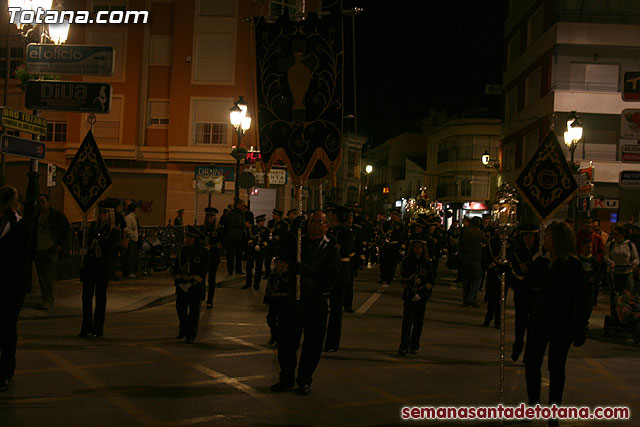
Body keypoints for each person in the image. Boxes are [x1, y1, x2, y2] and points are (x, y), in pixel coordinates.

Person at [524, 222, 588, 423]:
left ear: (559, 239)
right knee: (532, 363)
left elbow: (584, 297)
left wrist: (581, 325)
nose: (545, 239)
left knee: (556, 367)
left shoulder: (572, 264)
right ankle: (533, 406)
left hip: (562, 323)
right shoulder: (542, 262)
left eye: (549, 236)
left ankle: (553, 413)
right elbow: (526, 284)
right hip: (539, 321)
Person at [271, 210, 339, 396]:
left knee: (312, 345)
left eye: (319, 222)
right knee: (286, 343)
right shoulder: (299, 242)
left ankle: (304, 380)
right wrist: (293, 230)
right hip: (294, 300)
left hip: (316, 302)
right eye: (311, 221)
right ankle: (286, 378)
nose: (315, 225)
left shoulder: (330, 247)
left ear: (326, 225)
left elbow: (331, 276)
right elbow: (283, 256)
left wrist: (307, 271)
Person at [0, 186, 32, 392]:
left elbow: (24, 259)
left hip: (11, 287)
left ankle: (6, 371)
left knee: (7, 329)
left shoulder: (20, 226)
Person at [78, 201, 121, 338]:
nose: (102, 216)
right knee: (86, 298)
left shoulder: (114, 231)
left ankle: (97, 328)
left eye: (105, 213)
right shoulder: (92, 228)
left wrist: (101, 246)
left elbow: (112, 250)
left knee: (100, 299)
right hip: (90, 266)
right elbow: (84, 243)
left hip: (103, 268)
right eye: (101, 212)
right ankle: (86, 327)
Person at [324, 204, 354, 352]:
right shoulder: (330, 230)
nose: (328, 215)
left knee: (336, 308)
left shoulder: (345, 232)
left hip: (340, 270)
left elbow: (343, 250)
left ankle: (332, 342)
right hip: (328, 270)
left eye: (331, 213)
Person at [173, 225, 210, 343]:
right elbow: (177, 268)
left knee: (194, 313)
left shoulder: (203, 252)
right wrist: (179, 283)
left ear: (196, 239)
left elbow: (202, 271)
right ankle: (183, 329)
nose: (187, 239)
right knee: (181, 310)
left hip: (195, 287)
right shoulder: (182, 250)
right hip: (182, 286)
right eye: (187, 237)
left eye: (190, 237)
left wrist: (190, 284)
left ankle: (191, 334)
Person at [398, 234, 434, 356]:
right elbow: (403, 280)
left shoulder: (427, 263)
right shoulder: (406, 262)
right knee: (407, 321)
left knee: (419, 322)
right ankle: (404, 346)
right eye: (415, 247)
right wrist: (411, 293)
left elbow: (431, 280)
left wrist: (423, 293)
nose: (418, 249)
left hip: (422, 295)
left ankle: (414, 345)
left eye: (420, 247)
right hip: (409, 295)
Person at [33, 193, 70, 309]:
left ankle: (48, 299)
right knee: (41, 276)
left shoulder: (56, 216)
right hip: (39, 249)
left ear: (49, 202)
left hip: (50, 249)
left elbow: (65, 230)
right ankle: (45, 298)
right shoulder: (36, 216)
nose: (41, 204)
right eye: (38, 202)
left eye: (43, 202)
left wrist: (59, 245)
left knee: (48, 275)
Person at [508, 225, 539, 361]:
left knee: (534, 326)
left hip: (536, 294)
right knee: (520, 324)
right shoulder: (517, 253)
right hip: (521, 292)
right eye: (526, 236)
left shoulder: (539, 252)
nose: (528, 239)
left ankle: (529, 354)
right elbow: (513, 274)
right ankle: (517, 347)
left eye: (531, 236)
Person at [604, 226, 639, 298]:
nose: (615, 236)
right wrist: (611, 262)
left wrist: (634, 263)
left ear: (622, 235)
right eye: (614, 234)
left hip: (627, 272)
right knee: (615, 294)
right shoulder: (610, 245)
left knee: (627, 294)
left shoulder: (630, 245)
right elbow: (606, 256)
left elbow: (635, 257)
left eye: (617, 234)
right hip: (614, 272)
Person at [264, 257, 290, 346]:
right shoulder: (273, 275)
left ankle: (279, 338)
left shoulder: (288, 276)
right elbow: (269, 287)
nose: (277, 265)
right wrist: (267, 299)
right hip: (274, 301)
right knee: (270, 319)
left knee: (282, 321)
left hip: (283, 301)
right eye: (276, 263)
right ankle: (274, 335)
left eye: (280, 263)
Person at [460, 217, 484, 307]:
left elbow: (460, 244)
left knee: (466, 280)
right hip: (475, 258)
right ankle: (472, 298)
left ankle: (465, 300)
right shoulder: (479, 233)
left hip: (465, 258)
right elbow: (486, 241)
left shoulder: (465, 232)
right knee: (477, 279)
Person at [200, 207, 222, 309]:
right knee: (201, 279)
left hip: (213, 257)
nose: (210, 218)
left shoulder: (218, 230)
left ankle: (210, 300)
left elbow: (221, 244)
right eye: (208, 216)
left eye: (212, 216)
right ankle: (202, 296)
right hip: (203, 257)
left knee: (211, 280)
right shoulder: (202, 229)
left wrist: (214, 246)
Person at [378, 208, 406, 285]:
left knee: (392, 263)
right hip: (385, 245)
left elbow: (402, 238)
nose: (394, 216)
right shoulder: (384, 224)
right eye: (392, 214)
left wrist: (401, 247)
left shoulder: (400, 226)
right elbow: (380, 234)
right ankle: (382, 277)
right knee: (383, 262)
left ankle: (389, 278)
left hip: (394, 246)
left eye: (396, 215)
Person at [244, 214, 268, 290]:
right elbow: (248, 238)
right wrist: (254, 245)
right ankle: (248, 283)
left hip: (260, 251)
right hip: (251, 250)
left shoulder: (265, 229)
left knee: (259, 268)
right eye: (262, 221)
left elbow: (266, 240)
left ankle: (257, 283)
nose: (263, 223)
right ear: (258, 221)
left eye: (263, 221)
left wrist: (261, 246)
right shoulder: (252, 229)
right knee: (249, 267)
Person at [578, 240, 600, 324]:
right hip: (581, 285)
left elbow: (598, 271)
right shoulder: (579, 259)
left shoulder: (594, 260)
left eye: (590, 247)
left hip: (590, 285)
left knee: (589, 304)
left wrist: (594, 278)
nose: (589, 249)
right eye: (587, 247)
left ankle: (586, 319)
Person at [225, 199, 247, 276]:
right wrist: (244, 224)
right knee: (230, 255)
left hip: (239, 237)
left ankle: (238, 270)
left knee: (239, 255)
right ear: (238, 205)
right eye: (243, 205)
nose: (244, 207)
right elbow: (233, 223)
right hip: (232, 237)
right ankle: (230, 271)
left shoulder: (241, 214)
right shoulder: (232, 213)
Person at [264, 209, 284, 278]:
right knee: (267, 261)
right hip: (269, 244)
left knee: (276, 260)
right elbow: (267, 231)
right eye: (273, 214)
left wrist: (279, 237)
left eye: (275, 215)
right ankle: (267, 272)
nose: (273, 216)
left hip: (277, 245)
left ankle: (276, 273)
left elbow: (284, 234)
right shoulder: (270, 223)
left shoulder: (283, 224)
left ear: (279, 216)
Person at [122, 203, 139, 279]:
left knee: (132, 255)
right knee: (130, 256)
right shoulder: (129, 217)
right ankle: (129, 271)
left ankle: (130, 271)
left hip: (133, 239)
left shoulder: (132, 217)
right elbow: (127, 228)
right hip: (131, 239)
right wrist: (133, 235)